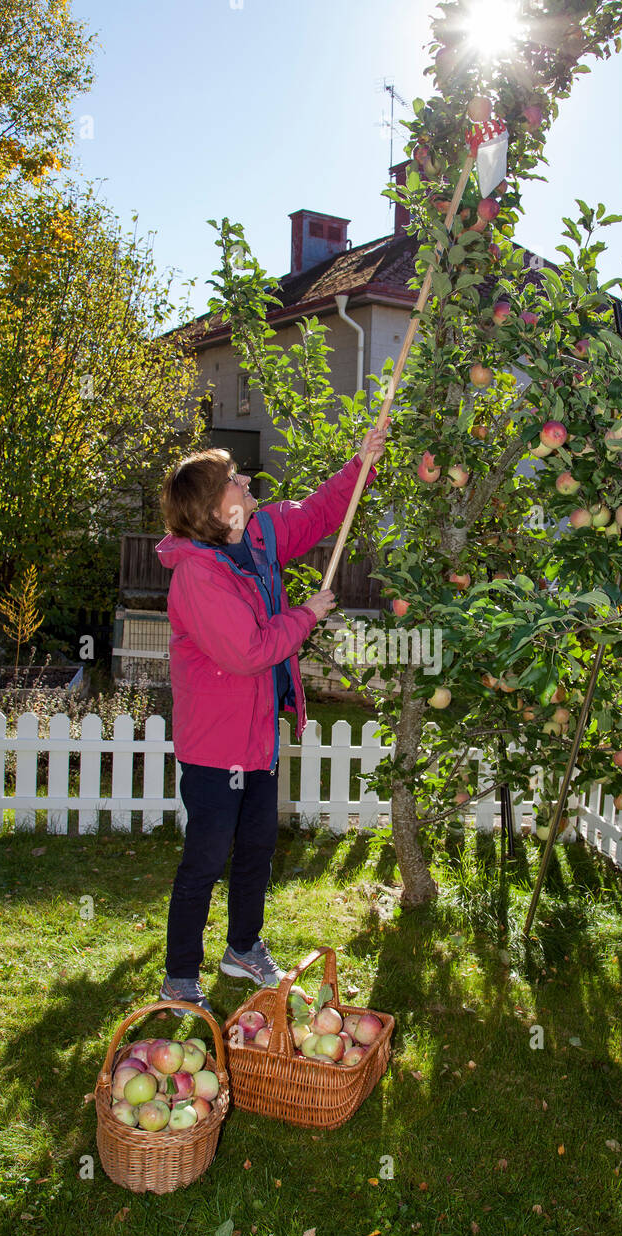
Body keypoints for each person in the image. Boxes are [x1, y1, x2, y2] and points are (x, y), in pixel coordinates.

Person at [155, 430, 387, 1014]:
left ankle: (241, 948)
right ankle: (181, 976)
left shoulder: (258, 534)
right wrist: (306, 615)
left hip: (257, 734)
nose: (246, 481)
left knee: (257, 846)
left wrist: (362, 462)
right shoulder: (197, 577)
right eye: (234, 479)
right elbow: (248, 652)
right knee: (206, 861)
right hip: (215, 746)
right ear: (215, 508)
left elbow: (318, 513)